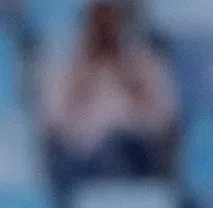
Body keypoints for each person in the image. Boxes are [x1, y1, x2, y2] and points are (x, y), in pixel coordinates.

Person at [38, 0, 179, 185]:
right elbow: (53, 122)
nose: (105, 26)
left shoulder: (145, 63)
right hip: (82, 158)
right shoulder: (64, 65)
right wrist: (81, 84)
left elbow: (166, 120)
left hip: (136, 154)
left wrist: (135, 86)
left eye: (110, 17)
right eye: (99, 18)